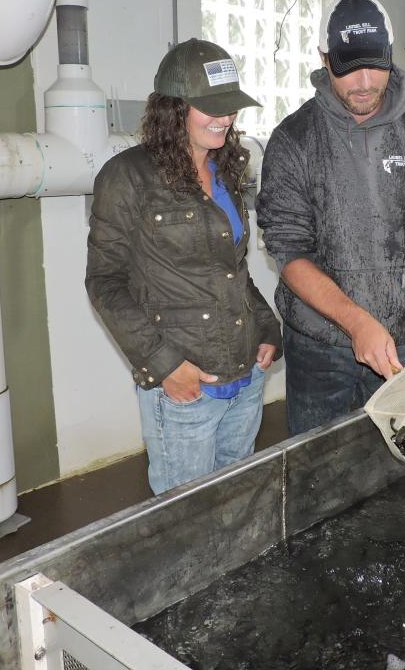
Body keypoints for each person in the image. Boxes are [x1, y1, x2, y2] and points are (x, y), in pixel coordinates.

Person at [257, 0, 405, 436]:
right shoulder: (294, 140)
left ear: (390, 57)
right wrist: (357, 323)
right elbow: (291, 251)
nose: (364, 82)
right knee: (320, 473)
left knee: (401, 468)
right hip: (320, 349)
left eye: (375, 65)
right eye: (349, 67)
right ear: (323, 58)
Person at [86, 38, 282, 494]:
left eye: (230, 108)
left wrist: (267, 329)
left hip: (245, 378)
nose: (225, 119)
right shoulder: (127, 177)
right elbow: (105, 282)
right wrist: (164, 365)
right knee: (185, 520)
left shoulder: (227, 171)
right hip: (185, 388)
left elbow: (233, 271)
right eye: (209, 108)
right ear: (173, 109)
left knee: (237, 501)